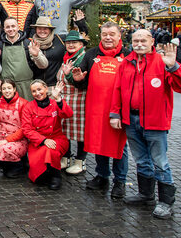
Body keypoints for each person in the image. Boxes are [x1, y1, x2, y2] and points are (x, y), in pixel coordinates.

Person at [110, 31, 181, 219]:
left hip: (155, 120)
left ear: (151, 41)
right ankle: (146, 194)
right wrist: (115, 114)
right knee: (141, 160)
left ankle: (165, 201)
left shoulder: (161, 62)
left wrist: (173, 67)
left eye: (143, 40)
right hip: (131, 119)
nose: (139, 44)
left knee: (160, 162)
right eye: (136, 40)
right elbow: (118, 89)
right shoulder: (126, 63)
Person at [71, 21, 129, 198]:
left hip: (118, 108)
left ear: (119, 36)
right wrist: (78, 79)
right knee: (99, 142)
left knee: (119, 146)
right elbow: (81, 81)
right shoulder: (91, 54)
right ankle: (102, 176)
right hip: (95, 108)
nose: (108, 37)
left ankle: (120, 181)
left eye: (112, 34)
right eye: (105, 34)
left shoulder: (127, 55)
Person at [21, 80, 72, 190]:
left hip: (56, 138)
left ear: (46, 88)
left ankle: (56, 175)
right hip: (37, 142)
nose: (37, 93)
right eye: (34, 91)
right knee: (38, 178)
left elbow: (68, 114)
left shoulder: (55, 103)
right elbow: (27, 129)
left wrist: (58, 99)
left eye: (39, 89)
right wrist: (43, 140)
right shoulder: (28, 107)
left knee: (50, 150)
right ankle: (46, 172)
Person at [56, 30, 88, 175]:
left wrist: (68, 74)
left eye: (74, 42)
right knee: (64, 130)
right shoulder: (66, 57)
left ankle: (80, 162)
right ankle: (66, 157)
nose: (71, 45)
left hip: (79, 99)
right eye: (68, 43)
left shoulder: (83, 58)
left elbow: (81, 81)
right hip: (65, 98)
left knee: (81, 132)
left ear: (81, 44)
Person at [0, 79, 28, 178]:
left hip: (18, 139)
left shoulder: (23, 103)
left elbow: (25, 128)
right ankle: (7, 163)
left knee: (6, 150)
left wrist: (7, 140)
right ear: (1, 90)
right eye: (4, 88)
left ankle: (19, 165)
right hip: (2, 138)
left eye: (9, 88)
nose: (7, 91)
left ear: (14, 89)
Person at [0, 17, 40, 101]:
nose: (11, 29)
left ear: (18, 27)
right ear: (4, 29)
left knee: (27, 112)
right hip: (7, 88)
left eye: (13, 26)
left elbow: (43, 65)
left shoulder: (27, 44)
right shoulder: (0, 45)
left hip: (26, 87)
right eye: (8, 27)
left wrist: (37, 55)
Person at [28, 17, 65, 88]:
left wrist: (80, 23)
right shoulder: (32, 44)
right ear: (36, 30)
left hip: (56, 85)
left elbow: (78, 42)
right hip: (38, 86)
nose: (42, 31)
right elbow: (42, 65)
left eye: (45, 29)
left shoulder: (60, 40)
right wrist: (36, 55)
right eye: (39, 29)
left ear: (50, 30)